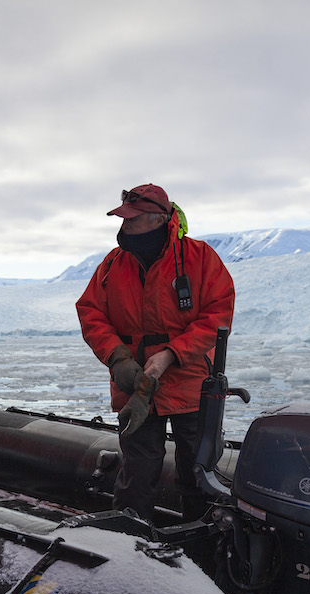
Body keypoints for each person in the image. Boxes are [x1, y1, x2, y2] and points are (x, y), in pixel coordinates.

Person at [76, 184, 235, 522]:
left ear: (160, 219)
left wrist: (171, 354)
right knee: (137, 474)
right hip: (135, 387)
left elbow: (218, 314)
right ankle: (132, 549)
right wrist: (118, 357)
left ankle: (201, 548)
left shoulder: (200, 258)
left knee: (199, 472)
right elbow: (91, 312)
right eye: (124, 218)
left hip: (191, 384)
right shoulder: (113, 264)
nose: (125, 225)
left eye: (133, 218)